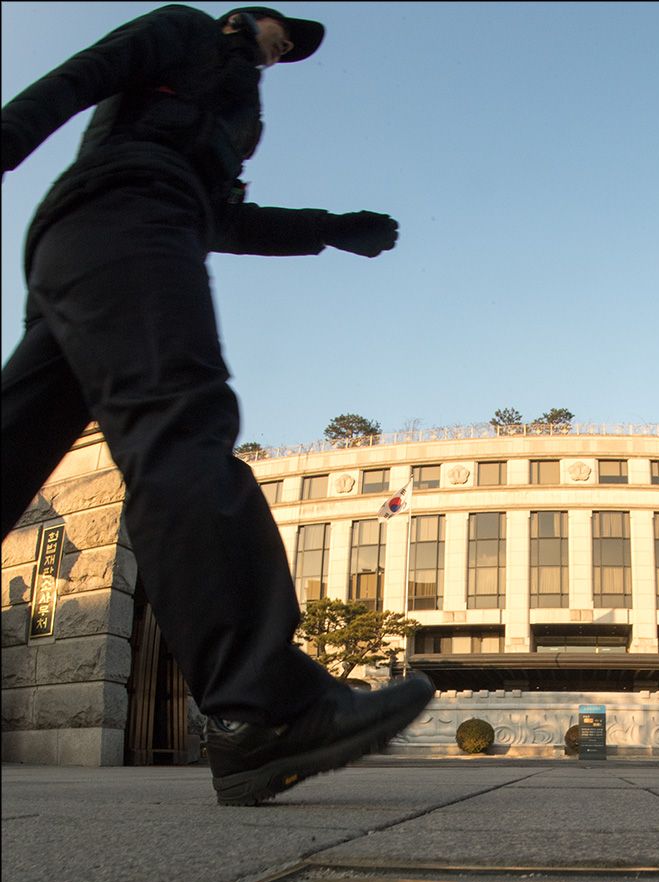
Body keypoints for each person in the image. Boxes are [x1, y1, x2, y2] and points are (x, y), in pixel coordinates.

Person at [0, 5, 434, 806]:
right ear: (249, 19)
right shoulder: (187, 32)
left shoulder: (234, 103)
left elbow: (221, 217)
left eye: (289, 51)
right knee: (180, 430)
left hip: (95, 243)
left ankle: (258, 704)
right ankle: (261, 709)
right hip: (126, 220)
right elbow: (82, 77)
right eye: (282, 35)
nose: (283, 51)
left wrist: (328, 228)